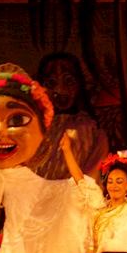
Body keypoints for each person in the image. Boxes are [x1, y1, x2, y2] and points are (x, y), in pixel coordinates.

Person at [0, 63, 102, 253]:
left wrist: (68, 155)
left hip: (11, 242)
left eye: (17, 120)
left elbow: (69, 196)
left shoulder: (29, 181)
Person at [29, 52, 108, 180]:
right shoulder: (35, 127)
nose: (60, 90)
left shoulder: (89, 129)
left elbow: (92, 176)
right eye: (51, 83)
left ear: (79, 83)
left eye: (68, 81)